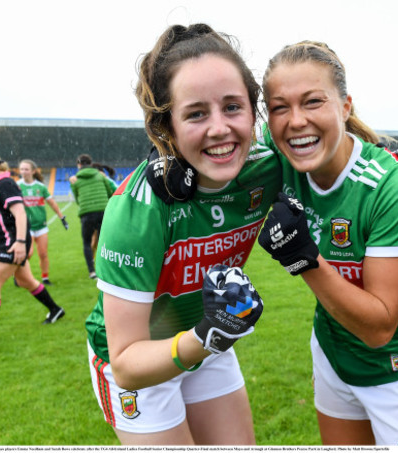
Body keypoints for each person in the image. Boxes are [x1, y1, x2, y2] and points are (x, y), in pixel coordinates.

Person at [84, 23, 280, 445]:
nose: (219, 129)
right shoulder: (139, 210)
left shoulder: (267, 168)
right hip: (141, 358)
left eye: (233, 107)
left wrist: (387, 165)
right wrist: (207, 335)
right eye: (195, 113)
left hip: (206, 336)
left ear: (253, 110)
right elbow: (125, 362)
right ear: (166, 126)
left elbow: (320, 140)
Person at [257, 41, 398, 446]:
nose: (295, 121)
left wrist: (301, 258)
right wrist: (164, 157)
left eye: (313, 102)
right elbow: (218, 137)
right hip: (332, 351)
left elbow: (379, 327)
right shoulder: (274, 158)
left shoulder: (392, 188)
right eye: (279, 107)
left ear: (345, 107)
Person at [0, 151, 65, 349]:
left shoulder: (5, 184)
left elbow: (20, 214)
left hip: (12, 244)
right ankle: (55, 310)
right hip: (6, 241)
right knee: (26, 281)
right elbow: (2, 216)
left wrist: (18, 242)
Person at [17, 159, 69, 285]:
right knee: (28, 254)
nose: (23, 172)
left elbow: (52, 203)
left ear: (33, 171)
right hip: (26, 226)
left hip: (41, 226)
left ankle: (45, 278)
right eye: (22, 169)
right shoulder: (17, 186)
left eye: (26, 169)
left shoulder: (40, 187)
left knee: (43, 254)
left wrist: (61, 217)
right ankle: (19, 276)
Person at [70, 154, 115, 279]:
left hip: (87, 214)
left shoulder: (75, 180)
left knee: (87, 242)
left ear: (79, 165)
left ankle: (92, 272)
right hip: (102, 211)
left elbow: (78, 199)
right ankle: (106, 269)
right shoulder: (100, 176)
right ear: (90, 164)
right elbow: (110, 192)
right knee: (104, 241)